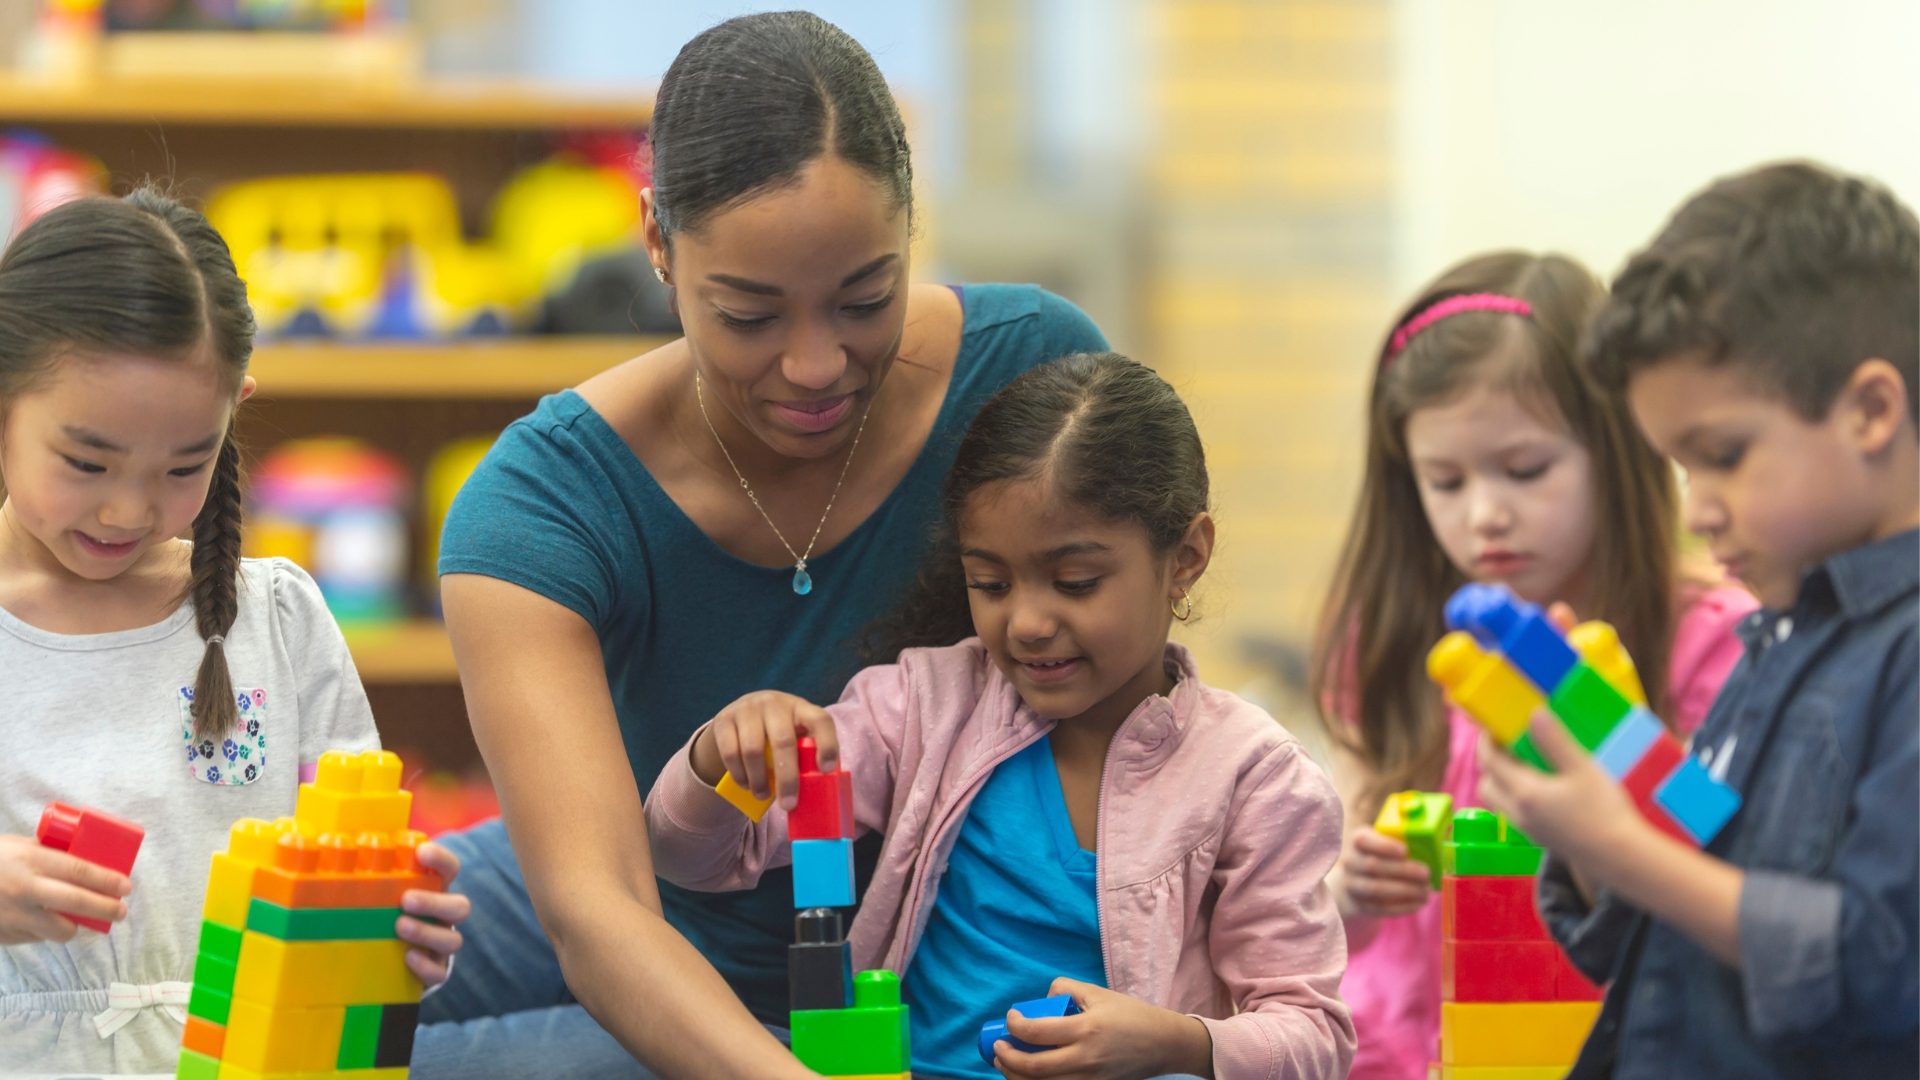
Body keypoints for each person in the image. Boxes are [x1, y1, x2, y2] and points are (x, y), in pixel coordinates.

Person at [432, 11, 1110, 1075]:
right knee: (296, 997)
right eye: (749, 314)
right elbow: (599, 913)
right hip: (649, 913)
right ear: (656, 240)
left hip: (925, 969)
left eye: (864, 299)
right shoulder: (540, 505)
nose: (814, 365)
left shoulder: (1035, 379)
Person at [649, 353, 1354, 1080]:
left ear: (1185, 558)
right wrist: (716, 762)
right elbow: (692, 860)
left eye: (1075, 582)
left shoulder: (1253, 777)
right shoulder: (924, 707)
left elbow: (1314, 1038)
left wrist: (1177, 1041)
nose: (1026, 622)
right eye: (989, 582)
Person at [0, 190, 468, 1074]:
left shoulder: (277, 622)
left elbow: (348, 871)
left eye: (184, 463)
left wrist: (392, 928)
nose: (128, 507)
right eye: (86, 461)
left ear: (234, 409)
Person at [1481, 160, 1919, 1077]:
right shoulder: (1780, 631)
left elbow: (1882, 967)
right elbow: (1691, 866)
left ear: (1873, 409)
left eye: (1722, 456)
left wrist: (1623, 851)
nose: (1700, 507)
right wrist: (1603, 769)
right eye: (1681, 467)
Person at [1309, 250, 1755, 1078]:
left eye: (1525, 470)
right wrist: (1354, 892)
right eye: (1444, 481)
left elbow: (1717, 867)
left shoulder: (1712, 638)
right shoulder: (1393, 640)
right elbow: (1329, 913)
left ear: (1616, 448)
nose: (1486, 514)